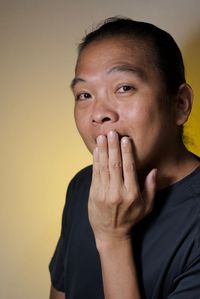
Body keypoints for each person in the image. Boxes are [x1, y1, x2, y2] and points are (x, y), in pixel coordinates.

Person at [49, 17, 200, 299]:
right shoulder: (83, 185)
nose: (98, 112)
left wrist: (113, 237)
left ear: (180, 104)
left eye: (124, 88)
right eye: (84, 94)